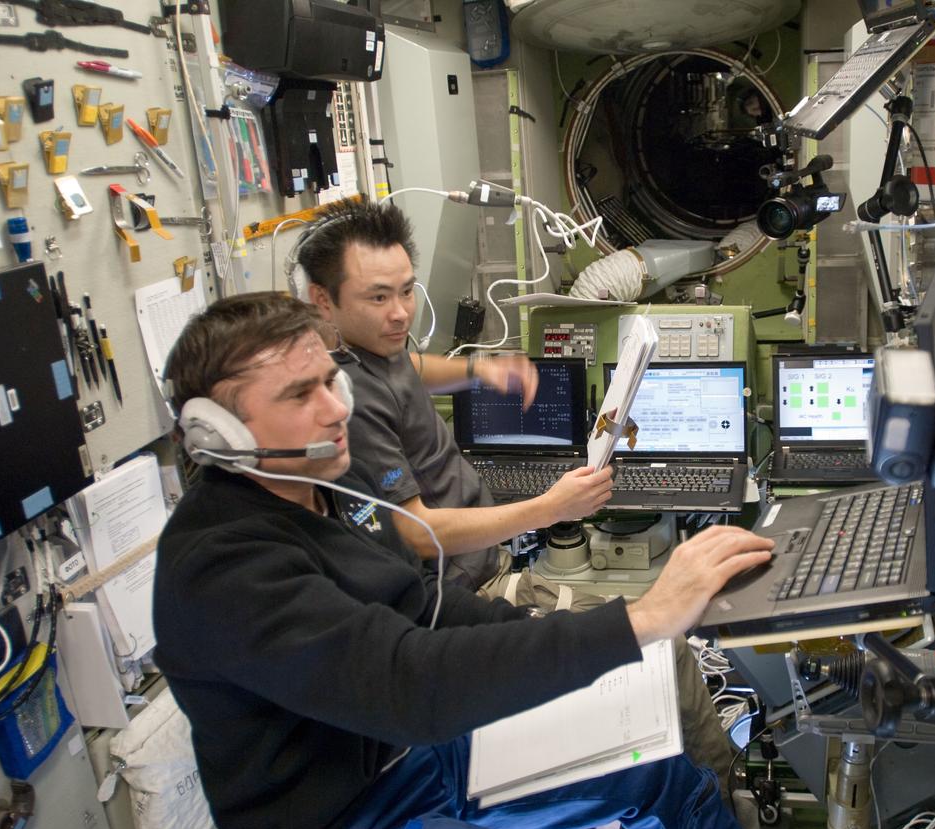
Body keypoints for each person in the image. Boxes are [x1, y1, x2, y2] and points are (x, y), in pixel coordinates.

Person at [154, 291, 775, 829]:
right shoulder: (220, 567)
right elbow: (407, 684)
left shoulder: (335, 480)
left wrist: (552, 635)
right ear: (220, 433)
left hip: (422, 756)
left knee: (659, 767)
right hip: (345, 821)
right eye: (298, 395)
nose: (335, 410)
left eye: (330, 382)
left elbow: (427, 604)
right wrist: (641, 619)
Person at [300, 199, 734, 789]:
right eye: (378, 297)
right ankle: (730, 795)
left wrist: (478, 369)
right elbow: (415, 534)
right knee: (667, 650)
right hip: (461, 595)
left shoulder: (378, 345)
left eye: (407, 291)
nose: (399, 313)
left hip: (492, 564)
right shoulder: (347, 401)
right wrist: (549, 508)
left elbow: (409, 367)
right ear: (322, 300)